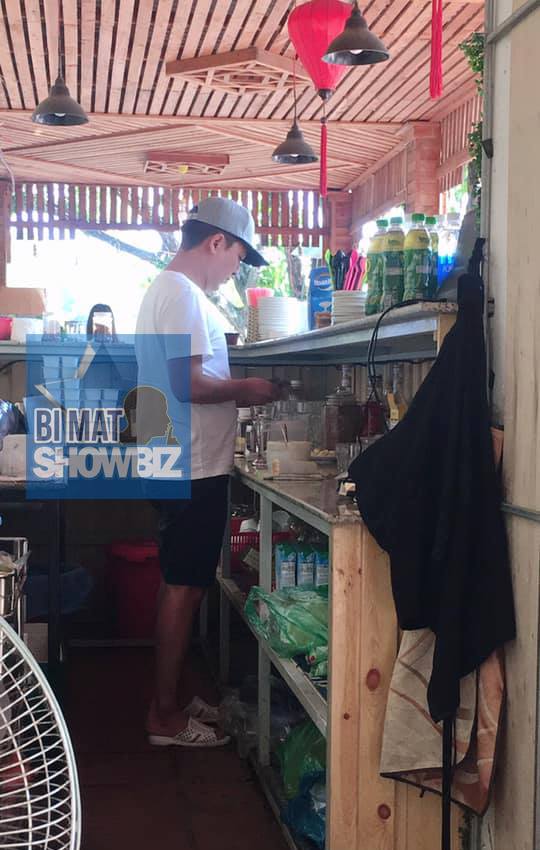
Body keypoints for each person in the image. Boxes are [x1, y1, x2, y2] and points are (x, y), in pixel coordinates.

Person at [135, 197, 281, 748]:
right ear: (216, 241)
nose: (235, 270)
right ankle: (164, 717)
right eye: (238, 257)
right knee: (184, 588)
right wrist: (249, 389)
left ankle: (169, 699)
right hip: (191, 466)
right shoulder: (182, 295)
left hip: (175, 460)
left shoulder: (167, 290)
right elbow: (188, 385)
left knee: (180, 583)